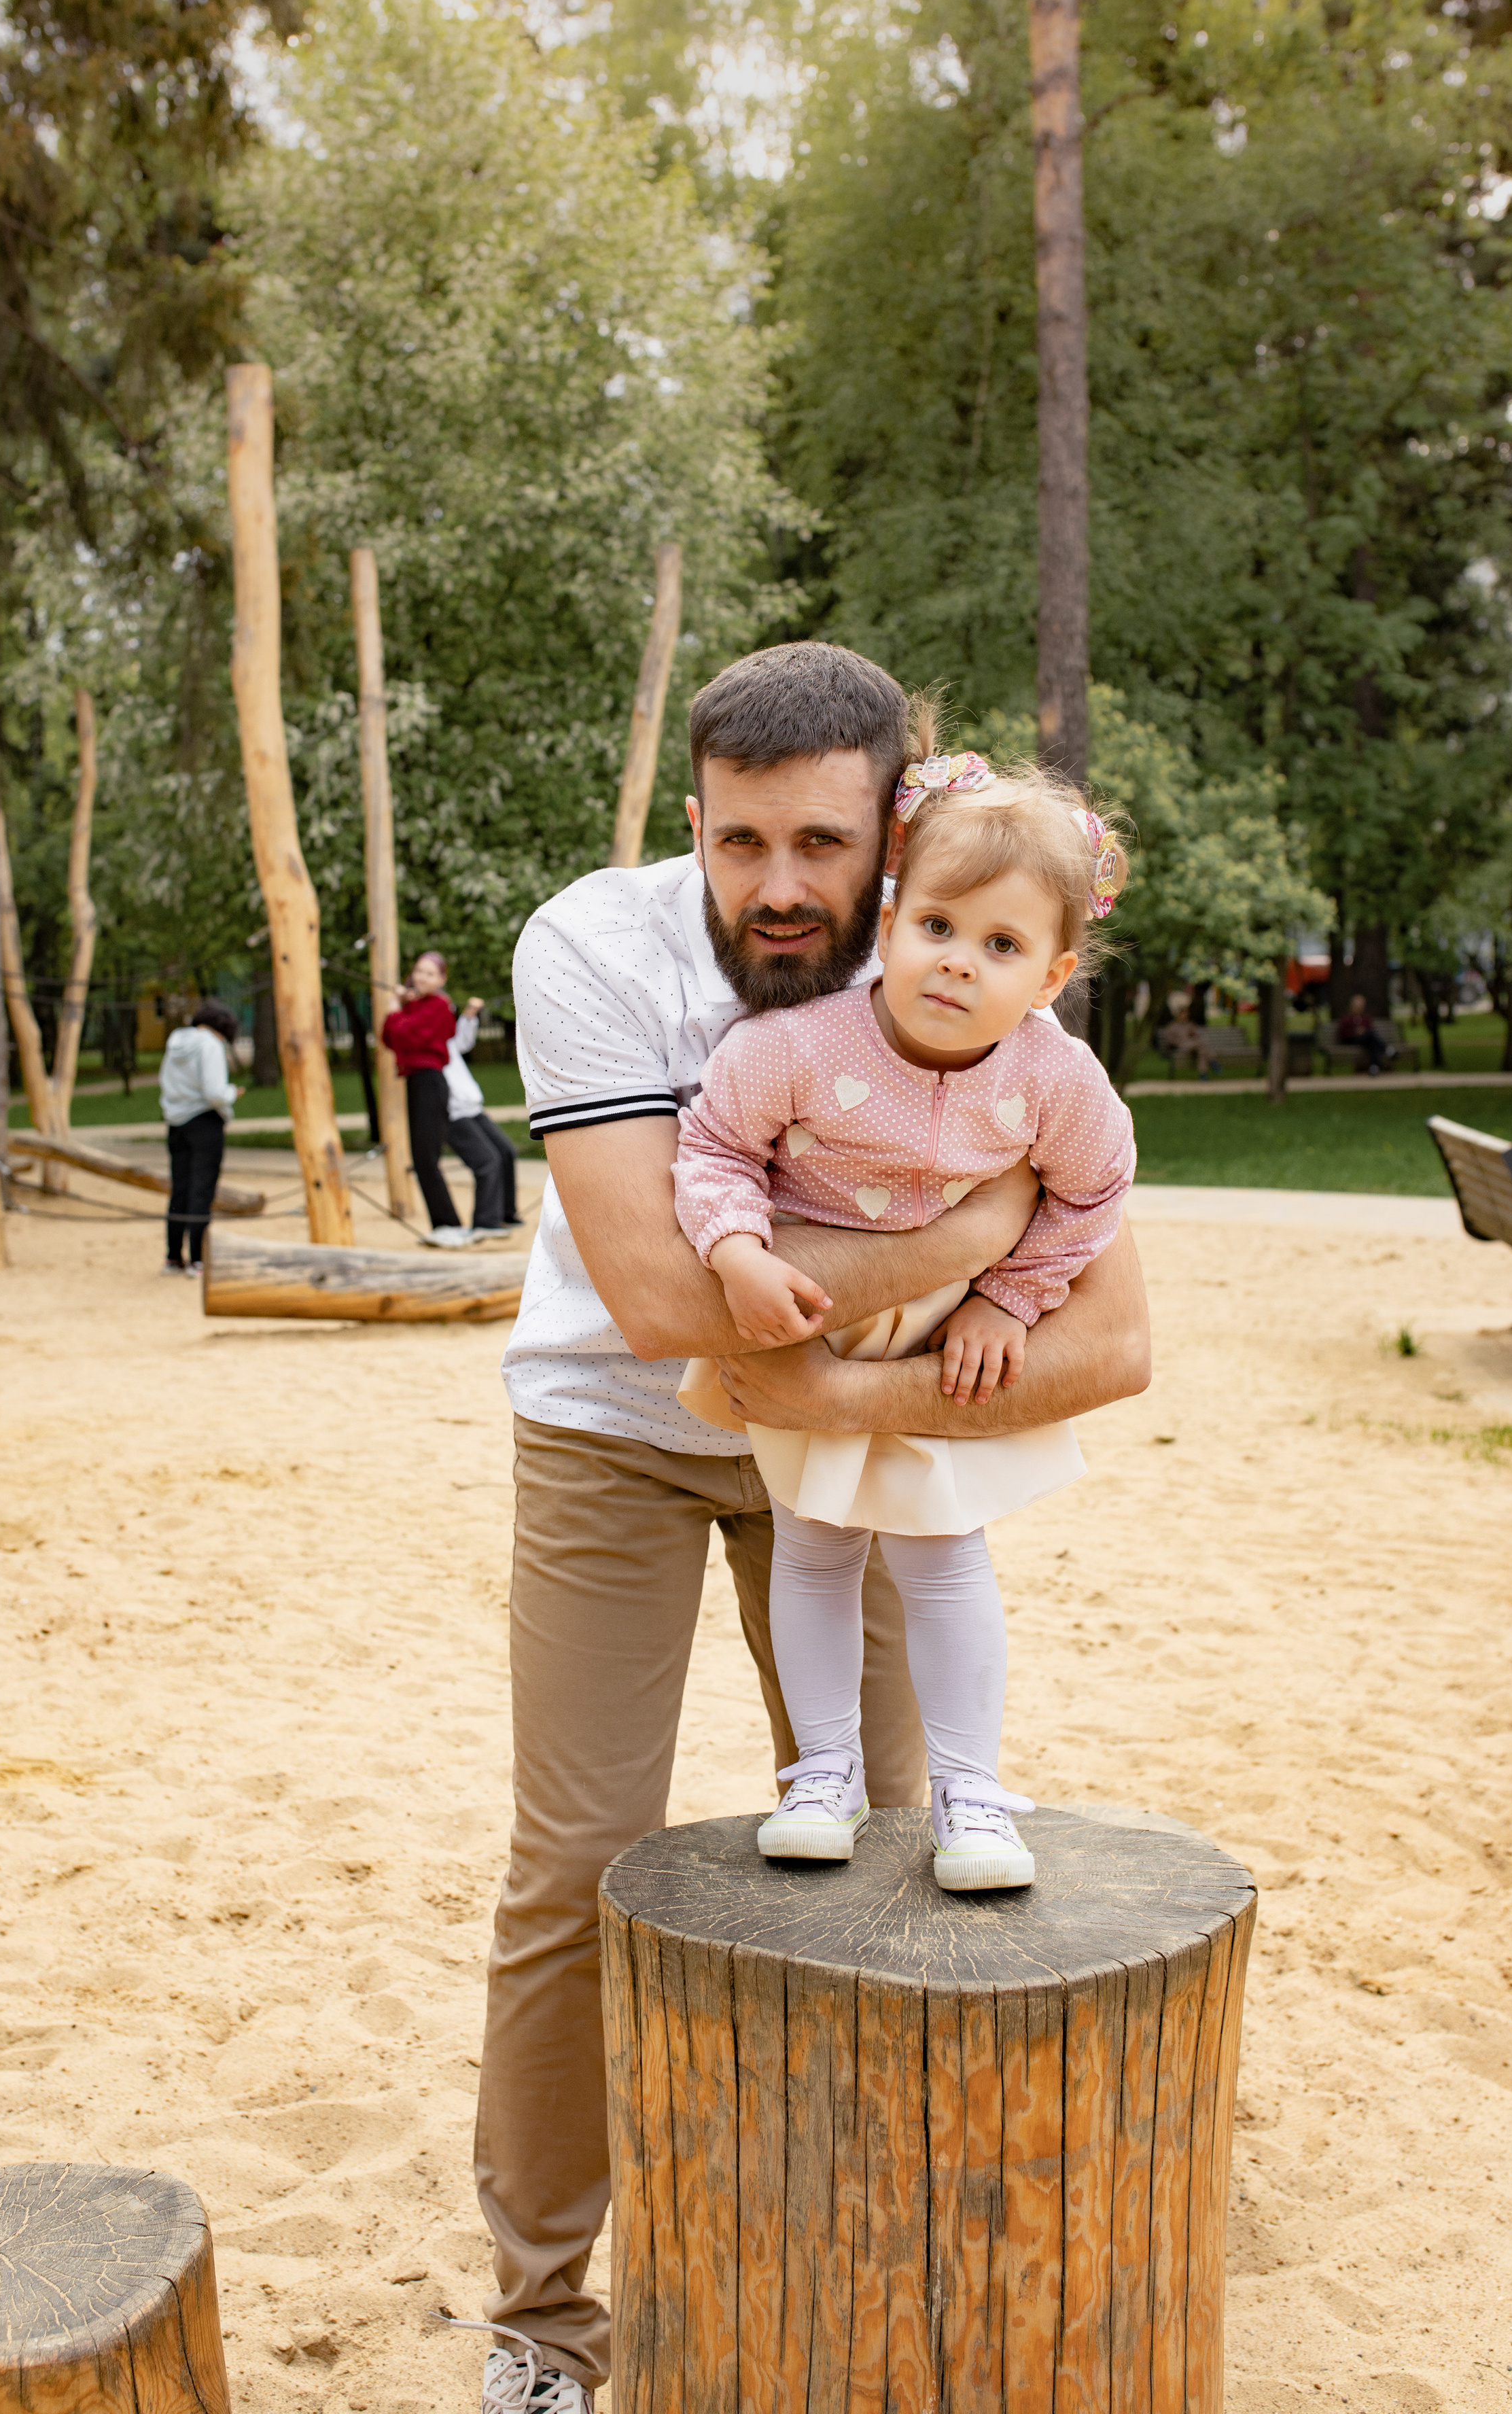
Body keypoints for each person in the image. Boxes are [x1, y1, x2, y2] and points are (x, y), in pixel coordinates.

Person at [465, 641, 1151, 2413]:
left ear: (895, 823)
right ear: (693, 821)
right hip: (614, 1440)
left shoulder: (982, 950)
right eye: (742, 840)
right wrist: (949, 1246)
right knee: (576, 1863)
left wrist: (844, 1391)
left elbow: (1111, 1339)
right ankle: (543, 2319)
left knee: (901, 1842)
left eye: (824, 847)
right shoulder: (592, 948)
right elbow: (650, 1295)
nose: (783, 887)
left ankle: (878, 2252)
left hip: (857, 1445)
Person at [672, 732, 1134, 1893]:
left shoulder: (1055, 1080)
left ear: (1055, 972)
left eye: (1002, 945)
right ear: (887, 921)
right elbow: (715, 1149)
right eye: (936, 927)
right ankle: (819, 1775)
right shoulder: (791, 1047)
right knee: (817, 1548)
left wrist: (1010, 1298)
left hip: (947, 1343)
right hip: (819, 1316)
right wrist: (732, 1250)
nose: (959, 964)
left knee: (942, 1556)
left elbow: (1095, 1193)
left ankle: (969, 1792)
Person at [383, 949, 465, 1238]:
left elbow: (406, 1035)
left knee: (426, 1158)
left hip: (430, 1082)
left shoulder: (439, 1006)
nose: (421, 977)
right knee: (422, 1158)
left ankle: (449, 1226)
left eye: (429, 974)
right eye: (419, 971)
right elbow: (389, 1038)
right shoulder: (417, 1005)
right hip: (418, 1081)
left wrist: (396, 1008)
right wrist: (402, 1008)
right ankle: (445, 1225)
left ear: (441, 979)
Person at [159, 1000, 238, 1274]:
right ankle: (198, 1258)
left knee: (180, 1188)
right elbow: (215, 1091)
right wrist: (231, 1094)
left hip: (177, 1122)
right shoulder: (210, 1045)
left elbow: (165, 1082)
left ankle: (173, 1256)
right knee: (201, 1189)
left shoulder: (175, 1043)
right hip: (205, 1122)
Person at [446, 1002, 521, 1238]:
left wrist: (469, 1017)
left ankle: (505, 1214)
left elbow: (464, 1042)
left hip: (471, 1108)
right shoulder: (426, 1039)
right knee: (488, 1161)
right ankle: (485, 1221)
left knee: (506, 1151)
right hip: (451, 1113)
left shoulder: (446, 1040)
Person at [1337, 992, 1394, 1074]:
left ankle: (1374, 1067)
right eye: (1357, 1005)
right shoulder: (1347, 1018)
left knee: (1372, 1043)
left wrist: (1364, 1032)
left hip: (1366, 1041)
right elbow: (1343, 1034)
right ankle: (1387, 1050)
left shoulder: (1365, 1018)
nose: (1359, 1007)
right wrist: (1355, 1032)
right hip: (1352, 1040)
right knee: (1371, 1038)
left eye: (1361, 1005)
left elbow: (1371, 1030)